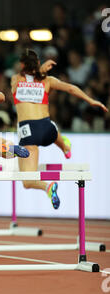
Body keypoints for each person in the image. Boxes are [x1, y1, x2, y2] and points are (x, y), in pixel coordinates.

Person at [11, 48, 108, 209]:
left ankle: (47, 187)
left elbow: (27, 77)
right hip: (46, 128)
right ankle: (64, 146)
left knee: (27, 181)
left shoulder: (15, 80)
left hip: (28, 134)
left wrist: (38, 70)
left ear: (21, 65)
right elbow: (70, 88)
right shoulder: (48, 81)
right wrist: (91, 100)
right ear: (39, 64)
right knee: (52, 128)